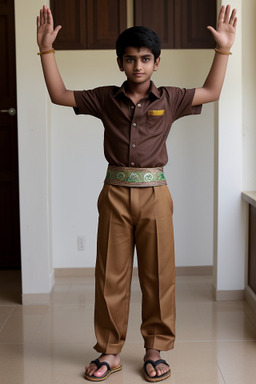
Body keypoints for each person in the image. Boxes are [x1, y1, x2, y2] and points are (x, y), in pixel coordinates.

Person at [37, 4, 237, 382]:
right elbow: (59, 94)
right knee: (111, 274)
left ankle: (154, 349)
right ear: (120, 63)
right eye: (130, 60)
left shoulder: (172, 98)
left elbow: (211, 91)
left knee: (158, 275)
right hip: (114, 193)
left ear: (157, 63)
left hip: (156, 194)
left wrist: (223, 49)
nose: (138, 66)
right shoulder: (103, 98)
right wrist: (46, 50)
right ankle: (110, 352)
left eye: (145, 59)